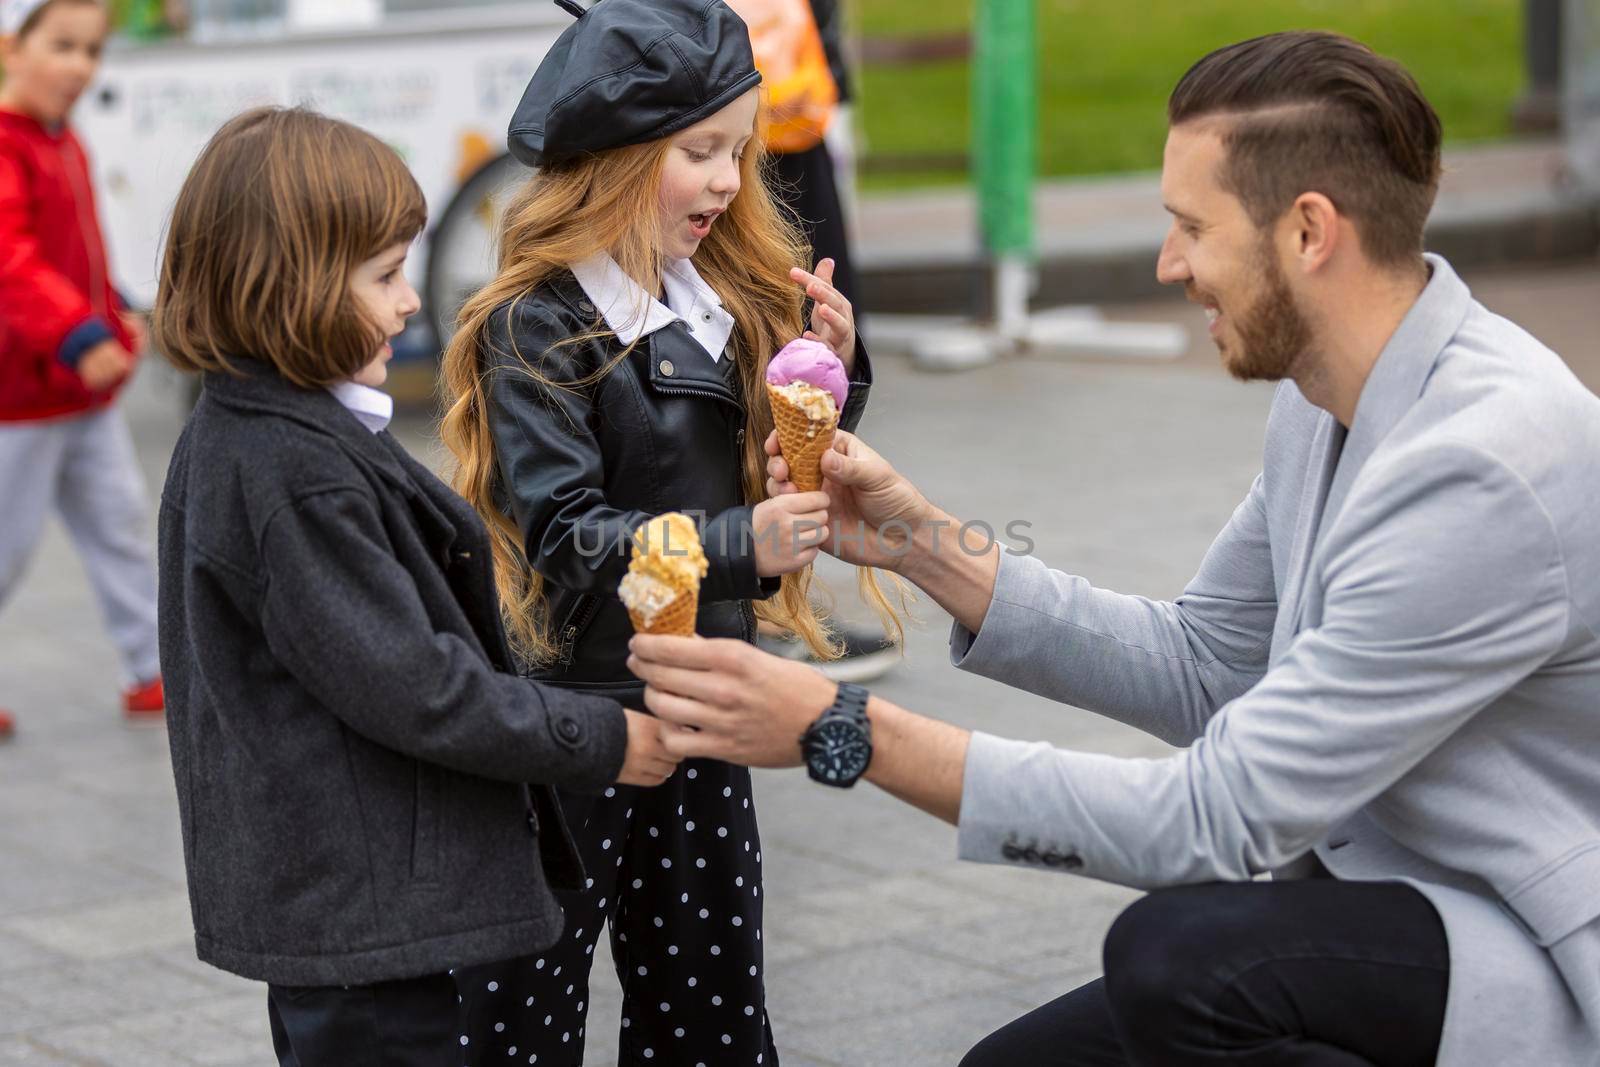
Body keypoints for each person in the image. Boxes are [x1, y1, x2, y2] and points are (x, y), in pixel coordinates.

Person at [627, 30, 1600, 1067]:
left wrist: (844, 728)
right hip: (1380, 907)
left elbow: (1217, 816)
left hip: (1532, 946)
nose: (1167, 263)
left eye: (1190, 226)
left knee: (1181, 957)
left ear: (1310, 231)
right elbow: (1205, 664)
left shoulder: (1482, 466)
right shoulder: (1328, 397)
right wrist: (919, 542)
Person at [152, 106, 682, 1065]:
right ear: (293, 285)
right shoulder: (290, 467)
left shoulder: (259, 426)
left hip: (345, 902)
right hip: (360, 913)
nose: (409, 303)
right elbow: (415, 686)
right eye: (388, 275)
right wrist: (601, 737)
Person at [437, 1, 897, 1060]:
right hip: (575, 722)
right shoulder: (536, 323)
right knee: (523, 1015)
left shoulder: (716, 302)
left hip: (704, 705)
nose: (731, 181)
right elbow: (566, 530)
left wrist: (832, 377)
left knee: (713, 1014)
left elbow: (776, 476)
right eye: (700, 152)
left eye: (738, 151)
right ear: (614, 158)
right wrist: (743, 542)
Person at [0, 0, 163, 739]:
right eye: (61, 46)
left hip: (84, 395)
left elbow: (79, 250)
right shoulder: (6, 144)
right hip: (20, 398)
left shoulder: (66, 140)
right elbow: (11, 263)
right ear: (12, 46)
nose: (81, 66)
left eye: (92, 50)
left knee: (122, 525)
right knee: (5, 546)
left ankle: (153, 668)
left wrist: (114, 304)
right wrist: (76, 331)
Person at [736, 0, 903, 684]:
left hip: (789, 91)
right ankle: (761, 610)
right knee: (753, 329)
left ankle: (776, 603)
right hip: (740, 80)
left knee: (809, 342)